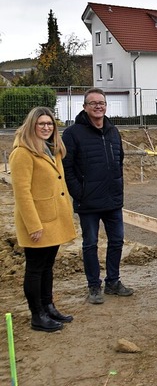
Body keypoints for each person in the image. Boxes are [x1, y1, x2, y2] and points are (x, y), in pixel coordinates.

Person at [62, 88, 133, 304]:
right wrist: (79, 192)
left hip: (112, 200)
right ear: (85, 107)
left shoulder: (113, 131)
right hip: (88, 201)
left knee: (117, 241)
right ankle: (94, 286)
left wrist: (117, 186)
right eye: (93, 103)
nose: (98, 106)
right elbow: (67, 167)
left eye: (101, 102)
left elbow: (118, 160)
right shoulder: (73, 133)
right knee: (90, 244)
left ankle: (113, 281)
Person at [10, 107, 77, 332]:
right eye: (42, 124)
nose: (46, 127)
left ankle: (48, 306)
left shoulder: (53, 150)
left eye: (50, 124)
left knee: (48, 265)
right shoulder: (22, 153)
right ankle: (37, 314)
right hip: (39, 221)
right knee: (36, 268)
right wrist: (33, 225)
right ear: (32, 126)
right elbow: (22, 192)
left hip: (54, 218)